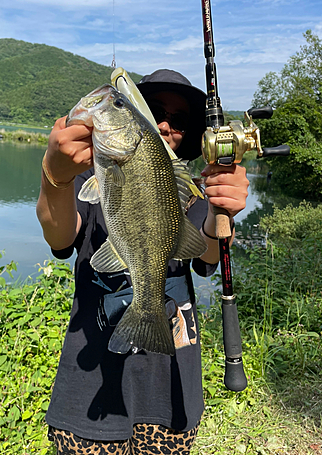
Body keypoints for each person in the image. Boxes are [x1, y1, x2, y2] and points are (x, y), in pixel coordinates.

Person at [36, 69, 249, 455]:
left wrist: (222, 210)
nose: (167, 124)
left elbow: (206, 252)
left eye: (181, 120)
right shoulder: (91, 173)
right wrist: (54, 176)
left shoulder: (190, 189)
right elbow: (59, 236)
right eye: (155, 111)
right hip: (88, 392)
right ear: (141, 119)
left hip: (170, 387)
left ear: (189, 136)